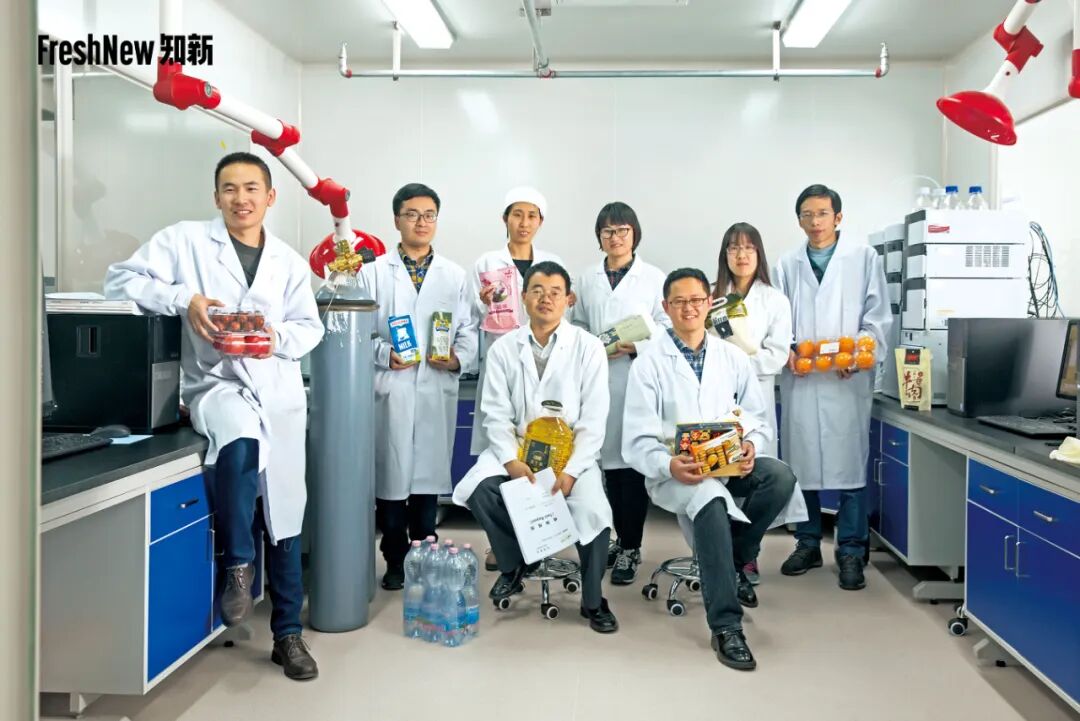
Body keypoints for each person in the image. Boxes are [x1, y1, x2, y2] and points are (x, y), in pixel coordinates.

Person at [105, 152, 323, 680]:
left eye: (251, 188)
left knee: (285, 516)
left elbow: (309, 328)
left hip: (276, 391)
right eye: (229, 188)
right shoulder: (184, 241)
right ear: (216, 195)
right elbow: (119, 282)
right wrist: (185, 299)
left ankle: (288, 635)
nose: (240, 198)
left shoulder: (289, 262)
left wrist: (272, 337)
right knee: (240, 443)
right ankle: (238, 564)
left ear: (270, 197)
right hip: (217, 384)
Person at [623, 268, 800, 671]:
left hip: (727, 463)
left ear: (709, 303)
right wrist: (668, 464)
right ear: (666, 307)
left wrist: (751, 444)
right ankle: (726, 626)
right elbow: (636, 438)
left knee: (779, 478)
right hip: (676, 473)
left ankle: (733, 560)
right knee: (710, 501)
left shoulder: (732, 356)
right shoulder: (649, 364)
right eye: (679, 301)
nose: (689, 308)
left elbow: (755, 416)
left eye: (696, 300)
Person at [452, 261, 619, 634]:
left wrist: (571, 472)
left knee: (593, 511)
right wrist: (511, 462)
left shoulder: (589, 347)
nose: (546, 299)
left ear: (568, 299)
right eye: (537, 291)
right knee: (481, 488)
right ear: (523, 297)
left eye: (555, 292)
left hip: (572, 454)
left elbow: (594, 420)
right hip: (518, 449)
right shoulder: (504, 349)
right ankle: (515, 563)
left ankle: (594, 601)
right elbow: (495, 415)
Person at [359, 183, 478, 591]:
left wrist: (457, 359)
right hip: (391, 387)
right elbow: (358, 336)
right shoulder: (373, 273)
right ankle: (394, 559)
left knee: (426, 483)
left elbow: (468, 332)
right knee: (391, 483)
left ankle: (425, 557)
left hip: (434, 388)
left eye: (429, 215)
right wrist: (383, 354)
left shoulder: (454, 275)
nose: (421, 222)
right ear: (397, 220)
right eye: (412, 214)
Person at [773, 184, 892, 591]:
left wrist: (858, 355)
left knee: (850, 466)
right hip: (803, 379)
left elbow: (878, 315)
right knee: (802, 463)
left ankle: (852, 550)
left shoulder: (863, 257)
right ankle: (807, 544)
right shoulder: (787, 263)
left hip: (847, 381)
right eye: (807, 214)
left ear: (838, 218)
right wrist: (788, 349)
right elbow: (778, 319)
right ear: (799, 220)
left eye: (822, 213)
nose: (815, 222)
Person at [570, 202, 668, 585]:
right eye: (607, 231)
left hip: (635, 380)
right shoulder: (586, 279)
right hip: (596, 382)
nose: (615, 237)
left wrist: (636, 346)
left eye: (622, 230)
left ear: (634, 233)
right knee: (603, 468)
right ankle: (614, 538)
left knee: (631, 469)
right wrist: (591, 345)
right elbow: (577, 324)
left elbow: (667, 326)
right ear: (599, 237)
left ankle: (631, 546)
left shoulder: (653, 278)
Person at [470, 187, 563, 571]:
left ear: (541, 221)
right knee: (502, 457)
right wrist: (483, 303)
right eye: (517, 214)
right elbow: (470, 316)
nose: (524, 223)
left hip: (545, 370)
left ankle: (542, 538)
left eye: (532, 216)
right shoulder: (486, 263)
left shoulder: (553, 263)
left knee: (543, 456)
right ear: (505, 219)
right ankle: (502, 543)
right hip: (502, 367)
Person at [711, 222, 794, 586]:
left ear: (759, 254)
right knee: (718, 475)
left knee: (754, 473)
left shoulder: (774, 300)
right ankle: (717, 548)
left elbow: (777, 356)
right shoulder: (712, 297)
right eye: (733, 248)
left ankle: (747, 553)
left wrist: (740, 360)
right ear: (724, 255)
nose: (741, 255)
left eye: (748, 248)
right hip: (714, 398)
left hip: (755, 397)